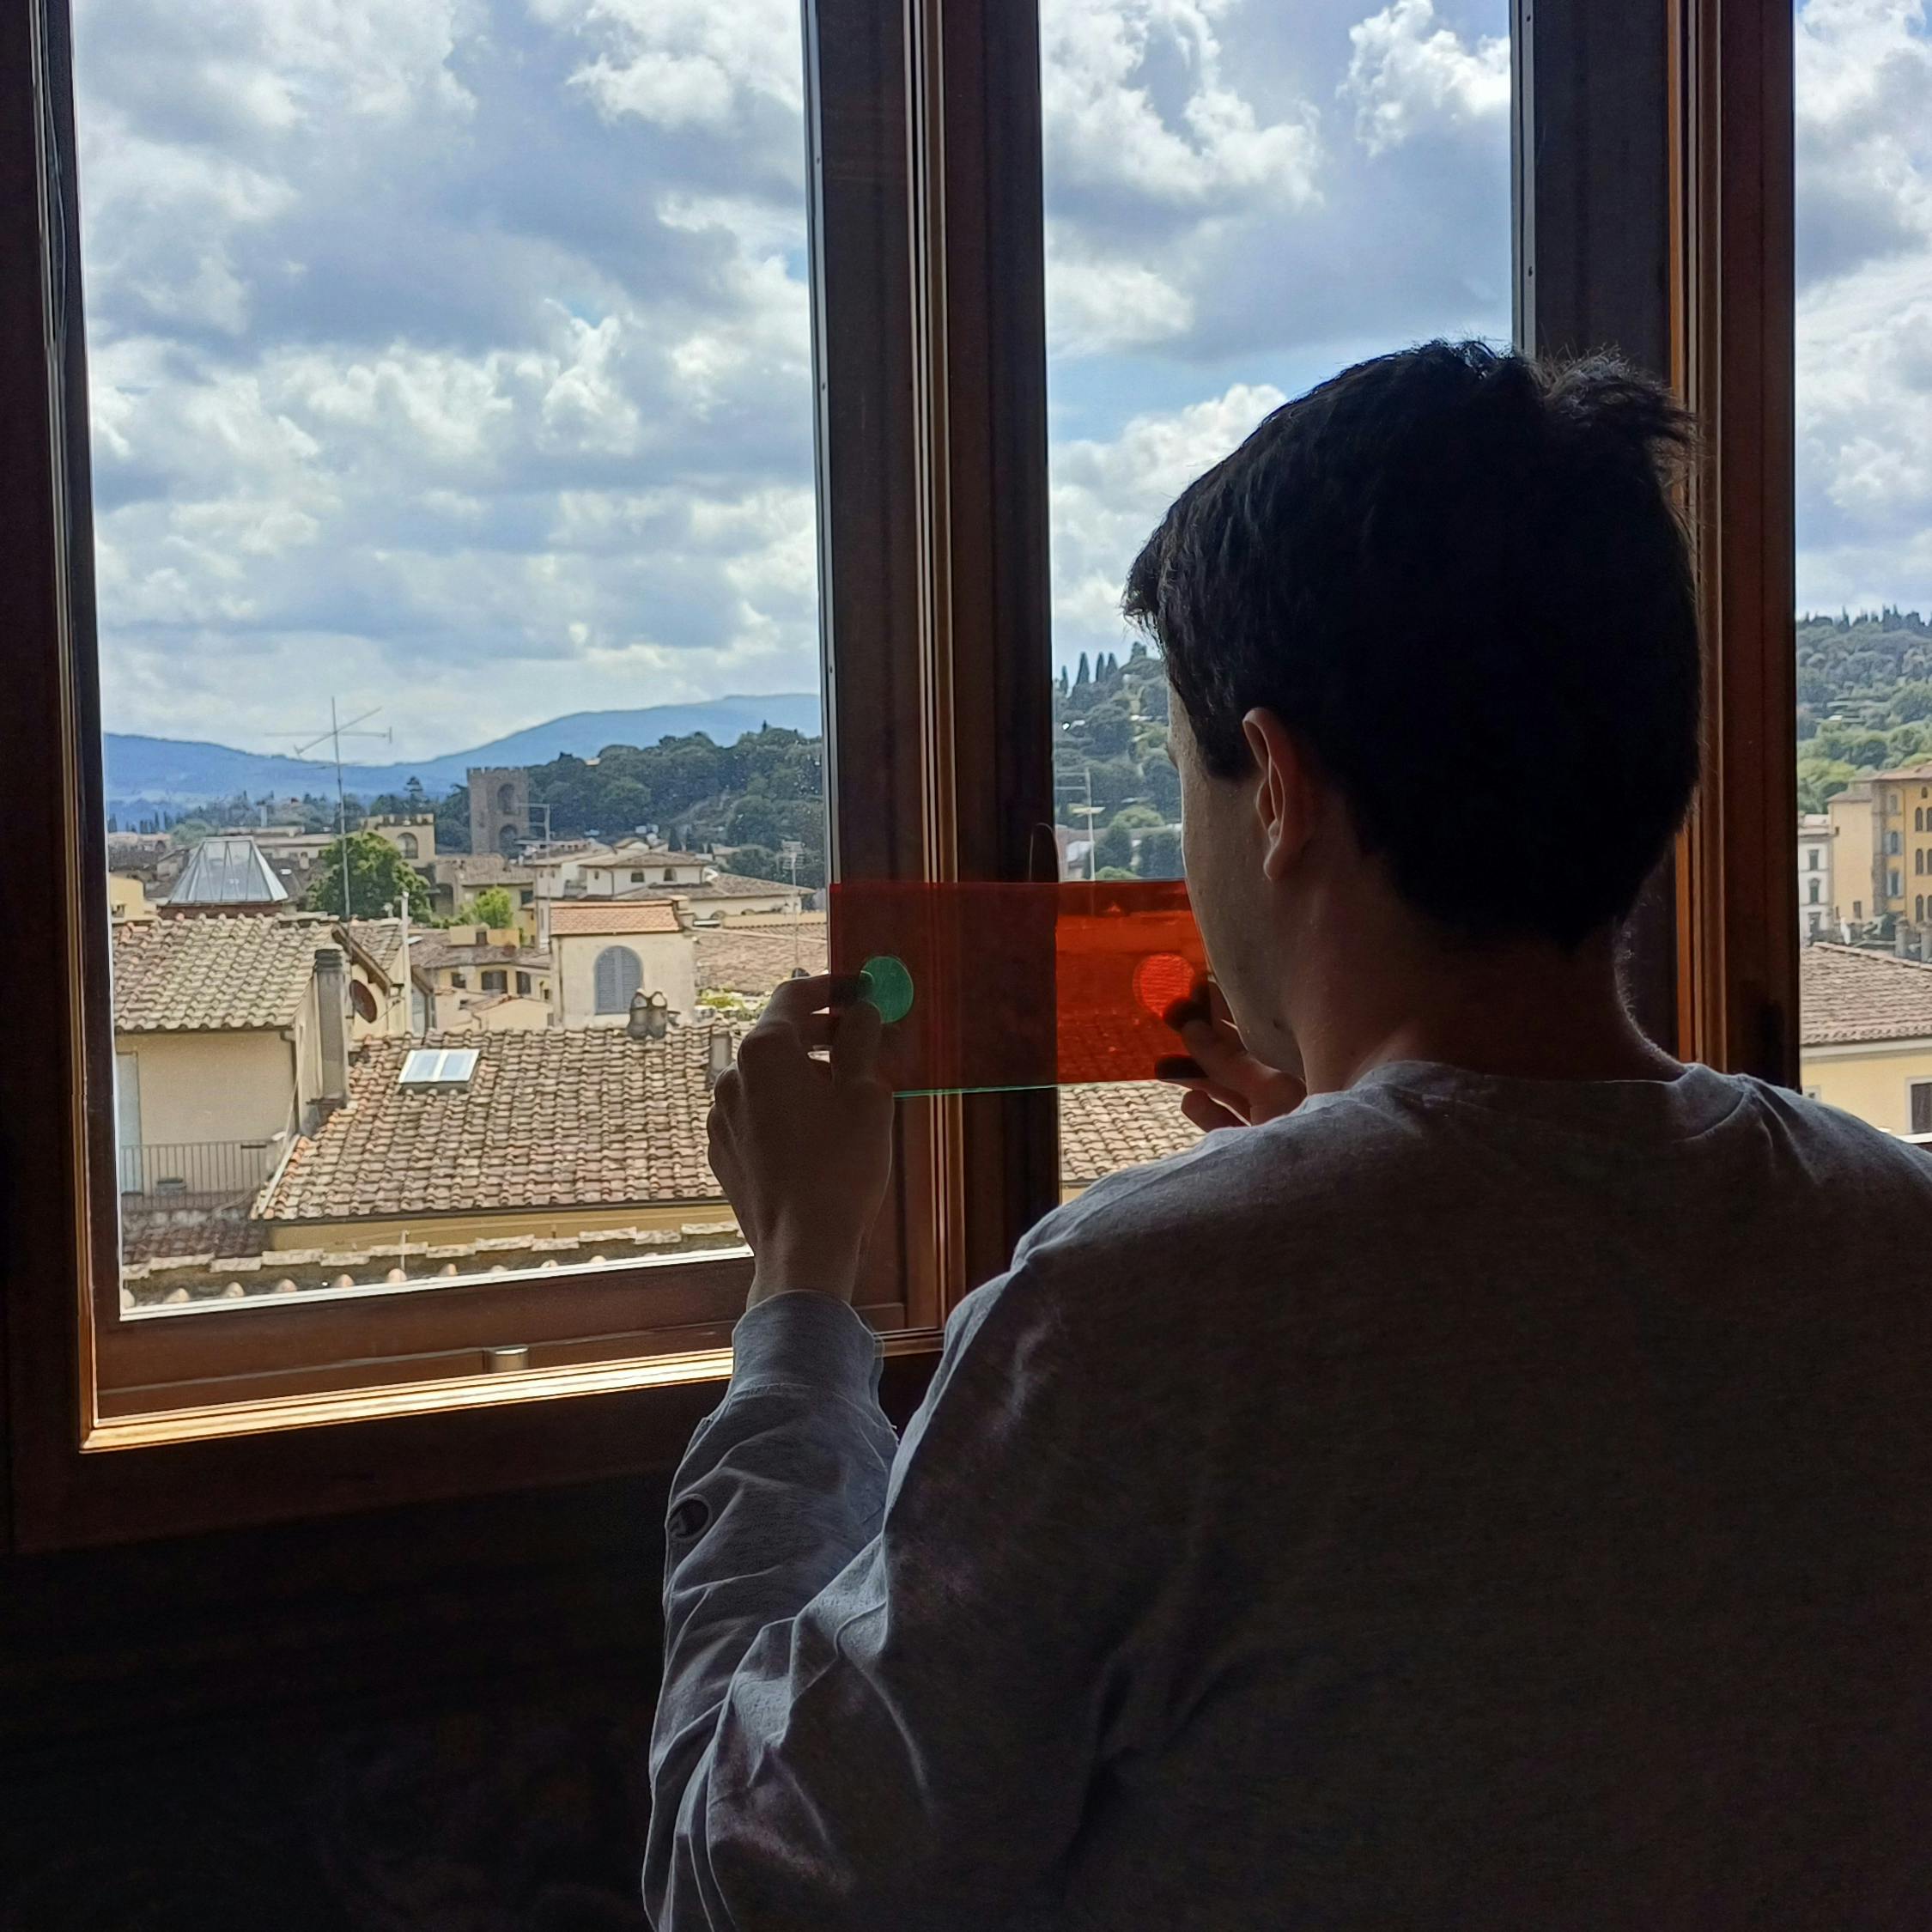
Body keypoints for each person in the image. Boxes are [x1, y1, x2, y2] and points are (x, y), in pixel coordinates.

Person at [643, 342, 1932, 1929]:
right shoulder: (1896, 1234)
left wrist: (793, 1301)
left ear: (1278, 787)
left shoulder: (1140, 1317)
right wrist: (1345, 1151)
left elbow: (748, 1890)